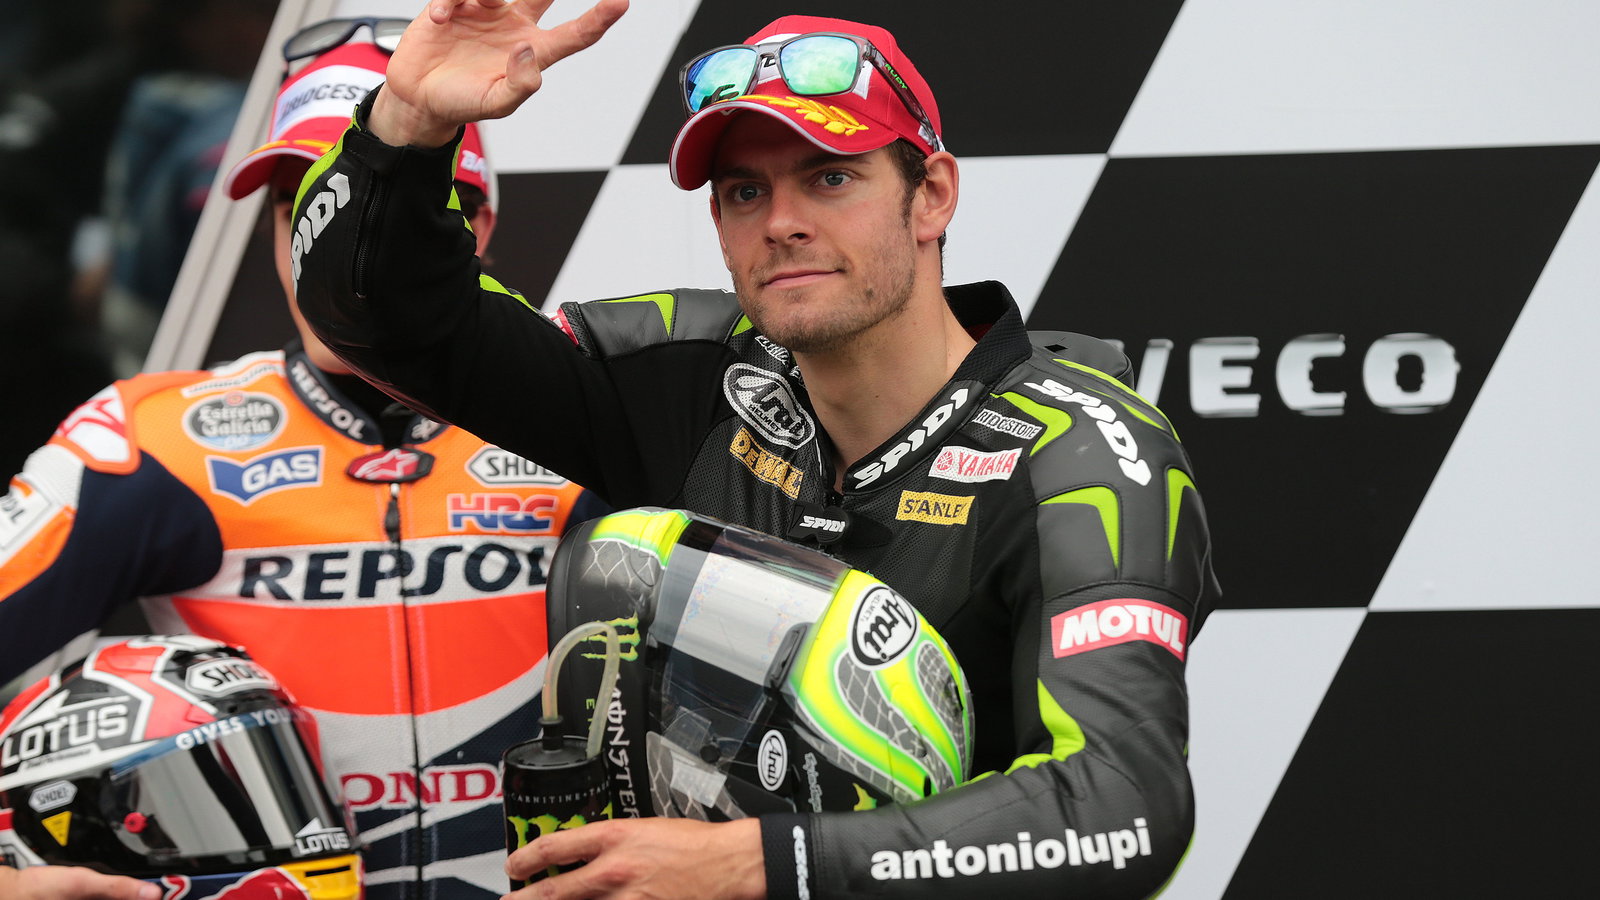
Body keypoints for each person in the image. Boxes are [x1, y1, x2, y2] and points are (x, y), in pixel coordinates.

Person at [293, 2, 1221, 898]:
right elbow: (380, 320)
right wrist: (406, 125)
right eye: (746, 191)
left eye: (829, 177)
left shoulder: (1081, 454)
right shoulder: (694, 371)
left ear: (931, 196)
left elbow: (1122, 806)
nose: (781, 222)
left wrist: (751, 867)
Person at [0, 23, 608, 900]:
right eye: (304, 213)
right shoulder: (152, 440)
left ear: (474, 227)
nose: (330, 252)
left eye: (369, 213)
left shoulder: (596, 412)